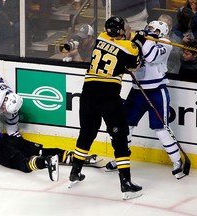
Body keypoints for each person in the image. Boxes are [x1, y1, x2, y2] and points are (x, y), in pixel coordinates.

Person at [68, 16, 142, 200]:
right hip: (108, 96)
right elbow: (135, 65)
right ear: (121, 31)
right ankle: (126, 183)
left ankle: (75, 172)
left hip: (87, 93)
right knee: (120, 137)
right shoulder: (127, 46)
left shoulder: (100, 38)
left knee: (86, 133)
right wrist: (138, 40)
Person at [106, 21, 185, 180]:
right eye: (149, 28)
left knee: (161, 129)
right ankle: (121, 159)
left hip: (156, 91)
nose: (150, 31)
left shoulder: (166, 44)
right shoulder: (140, 40)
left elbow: (151, 56)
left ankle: (177, 161)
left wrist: (143, 39)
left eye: (154, 29)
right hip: (137, 91)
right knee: (126, 125)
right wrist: (137, 41)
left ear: (161, 32)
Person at [0, 125, 101, 181]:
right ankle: (74, 156)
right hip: (11, 139)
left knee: (21, 163)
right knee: (40, 148)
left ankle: (46, 162)